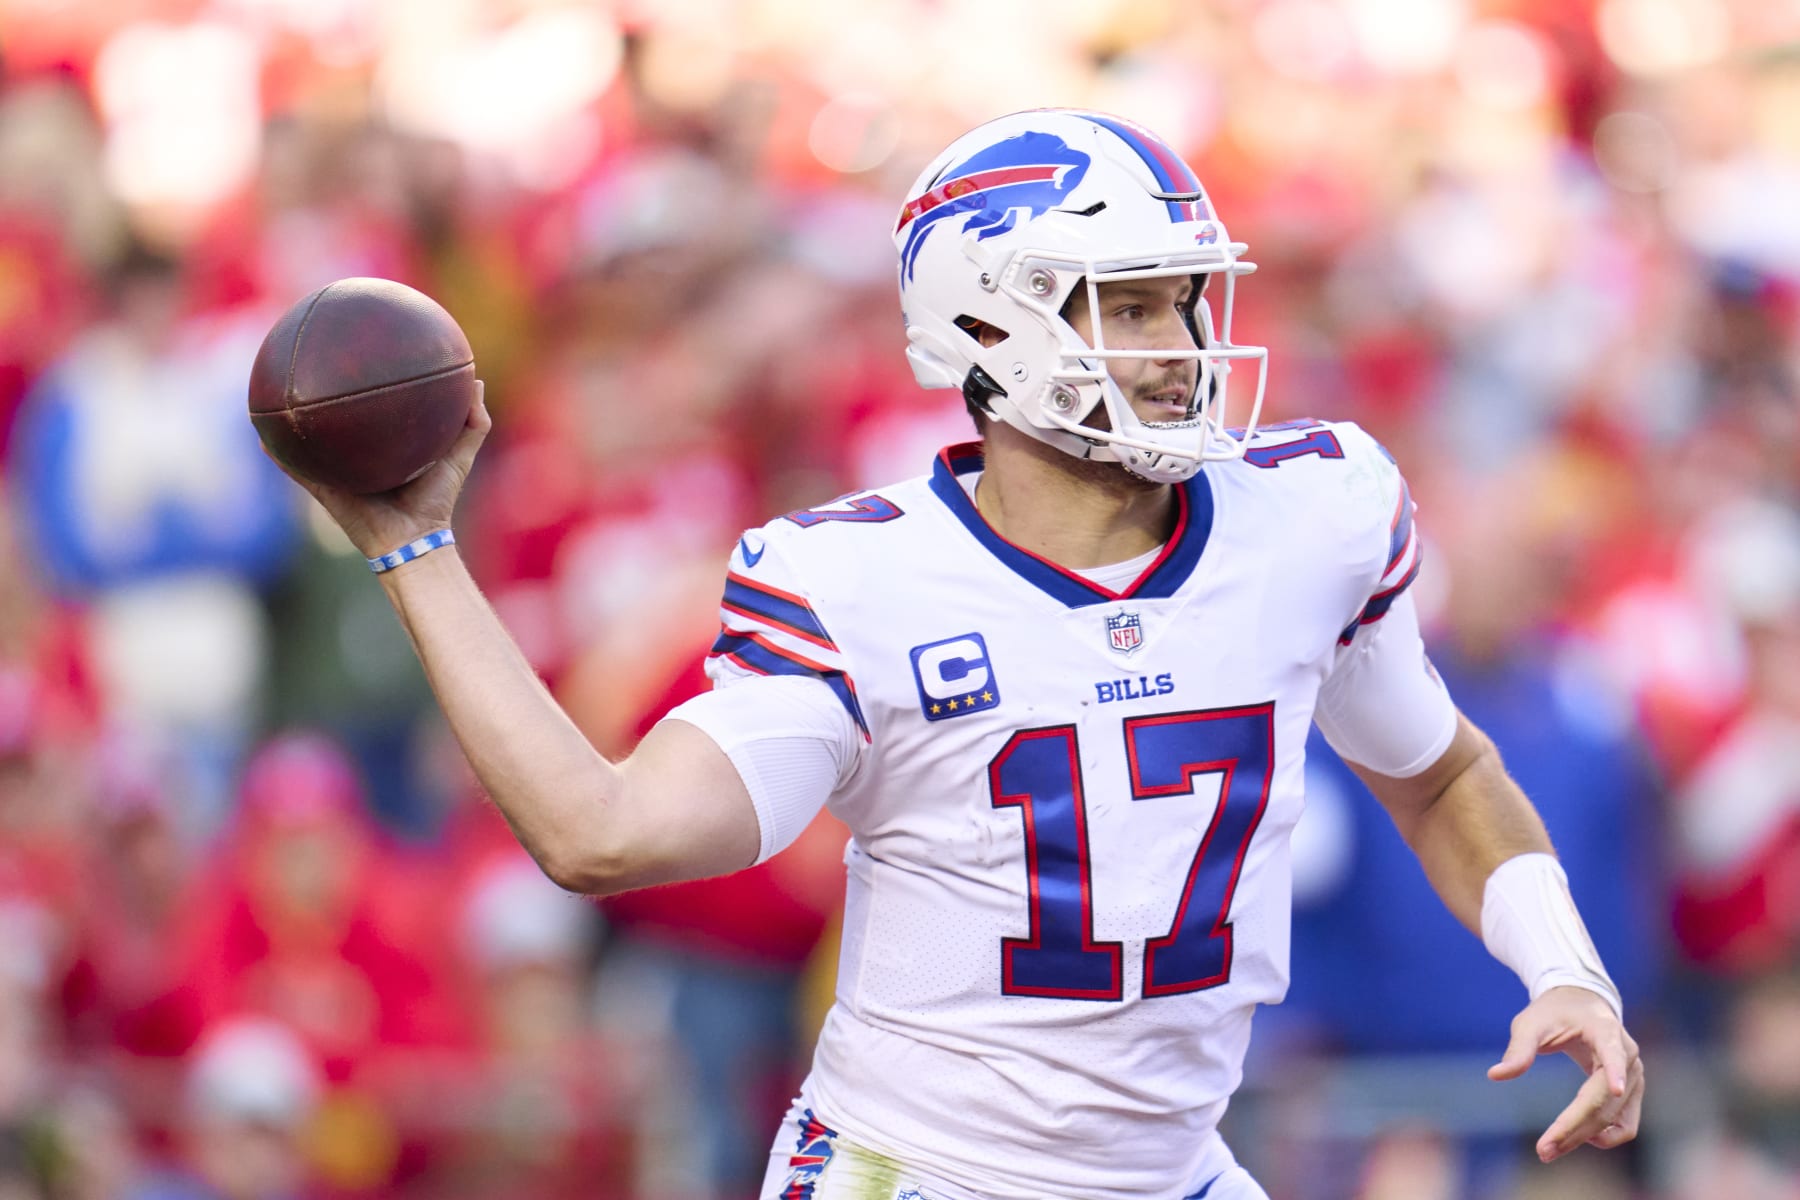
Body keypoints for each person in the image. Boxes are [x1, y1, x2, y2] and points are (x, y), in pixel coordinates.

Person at [270, 110, 1645, 1200]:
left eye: (1189, 304)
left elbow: (1439, 773)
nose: (1185, 352)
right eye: (1131, 306)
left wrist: (1564, 964)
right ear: (989, 327)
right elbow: (604, 833)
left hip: (1172, 1174)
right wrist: (416, 547)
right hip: (916, 1175)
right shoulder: (858, 582)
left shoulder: (1314, 514)